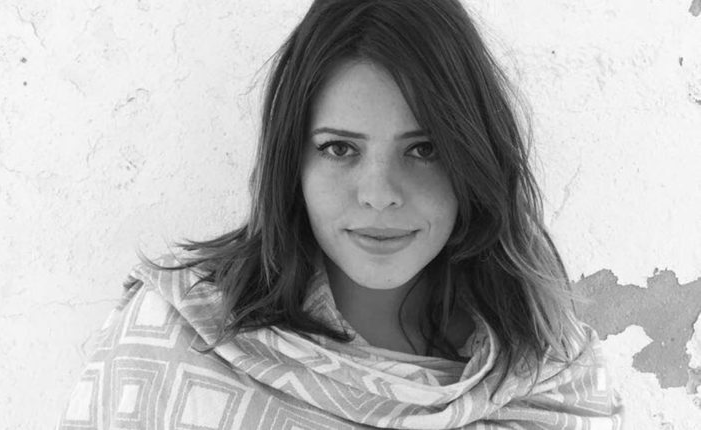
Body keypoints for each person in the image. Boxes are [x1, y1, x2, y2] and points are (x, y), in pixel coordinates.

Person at [57, 0, 625, 428]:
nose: (379, 194)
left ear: (473, 160)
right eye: (339, 148)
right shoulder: (173, 340)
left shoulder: (551, 372)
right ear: (292, 163)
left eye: (424, 149)